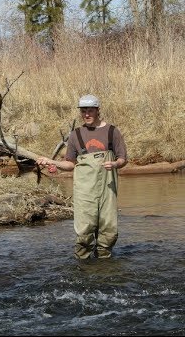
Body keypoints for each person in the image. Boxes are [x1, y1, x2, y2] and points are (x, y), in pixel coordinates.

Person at [36, 94, 127, 259]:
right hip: (84, 190)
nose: (86, 114)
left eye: (90, 110)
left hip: (108, 189)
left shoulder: (112, 131)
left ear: (98, 110)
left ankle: (105, 263)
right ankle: (83, 267)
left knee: (109, 230)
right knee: (85, 230)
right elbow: (70, 164)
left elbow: (123, 159)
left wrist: (115, 164)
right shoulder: (75, 135)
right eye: (83, 111)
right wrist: (52, 162)